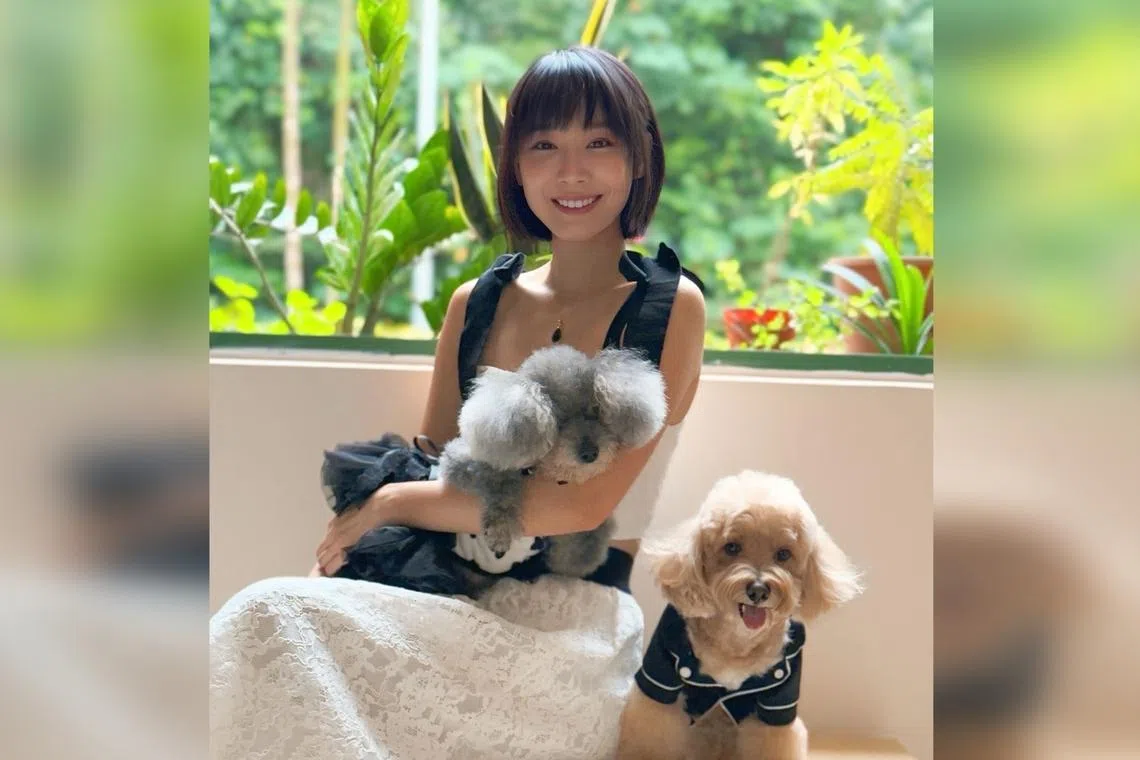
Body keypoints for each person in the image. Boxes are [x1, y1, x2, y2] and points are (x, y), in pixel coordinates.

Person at [210, 45, 706, 760]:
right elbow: (438, 467)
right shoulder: (476, 304)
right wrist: (358, 556)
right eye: (544, 145)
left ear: (637, 159)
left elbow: (578, 507)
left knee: (269, 613)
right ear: (515, 167)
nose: (571, 171)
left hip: (574, 632)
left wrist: (384, 506)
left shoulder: (670, 306)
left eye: (599, 142)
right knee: (275, 621)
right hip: (452, 600)